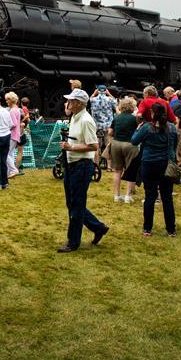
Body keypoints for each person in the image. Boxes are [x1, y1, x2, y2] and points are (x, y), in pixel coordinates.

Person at [57, 88, 109, 253]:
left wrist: (71, 147)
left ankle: (73, 242)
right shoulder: (75, 117)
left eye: (71, 101)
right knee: (72, 203)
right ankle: (98, 227)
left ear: (79, 103)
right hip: (72, 164)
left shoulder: (86, 120)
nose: (68, 103)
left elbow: (94, 146)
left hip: (81, 166)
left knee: (76, 204)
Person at [130, 103, 177, 237]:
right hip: (166, 164)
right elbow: (175, 144)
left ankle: (147, 228)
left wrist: (137, 129)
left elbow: (134, 141)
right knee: (167, 198)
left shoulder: (146, 128)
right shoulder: (172, 128)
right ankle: (171, 229)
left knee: (150, 196)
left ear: (152, 113)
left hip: (149, 163)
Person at [109, 97, 139, 202]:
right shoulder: (134, 118)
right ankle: (128, 196)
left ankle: (116, 195)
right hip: (130, 144)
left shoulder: (116, 117)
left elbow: (110, 132)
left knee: (117, 171)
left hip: (116, 144)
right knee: (130, 170)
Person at [5, 92, 24, 178]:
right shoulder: (17, 110)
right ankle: (10, 172)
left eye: (7, 100)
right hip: (16, 135)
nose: (6, 101)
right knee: (11, 153)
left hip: (12, 134)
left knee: (6, 154)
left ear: (11, 100)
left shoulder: (12, 110)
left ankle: (13, 170)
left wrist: (5, 127)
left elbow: (13, 124)